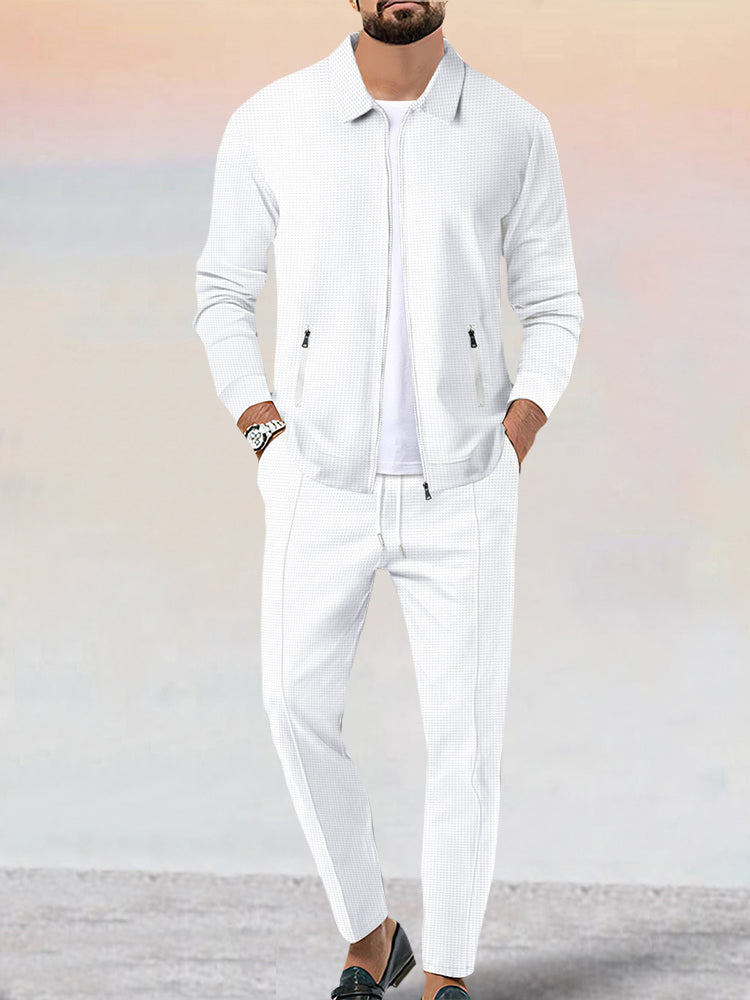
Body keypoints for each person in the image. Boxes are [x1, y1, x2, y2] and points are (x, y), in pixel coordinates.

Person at [192, 2, 583, 998]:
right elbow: (223, 292)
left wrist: (518, 432)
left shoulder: (513, 129)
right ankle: (372, 932)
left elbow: (552, 302)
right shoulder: (274, 121)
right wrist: (265, 433)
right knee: (293, 703)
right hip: (318, 481)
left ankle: (446, 969)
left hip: (466, 485)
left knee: (465, 738)